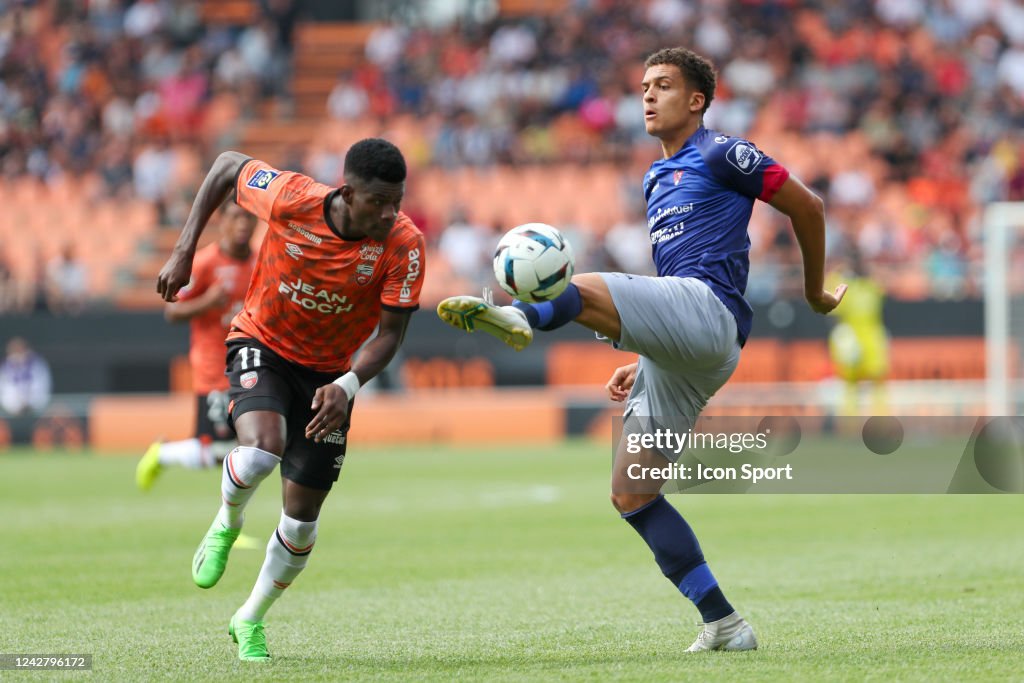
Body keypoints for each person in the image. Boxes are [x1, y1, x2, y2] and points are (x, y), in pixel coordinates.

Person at [437, 47, 846, 651]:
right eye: (644, 86)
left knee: (585, 284)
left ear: (697, 100)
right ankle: (725, 624)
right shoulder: (656, 176)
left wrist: (813, 291)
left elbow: (807, 206)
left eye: (663, 86)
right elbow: (672, 284)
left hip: (711, 311)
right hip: (685, 344)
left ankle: (519, 316)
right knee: (632, 492)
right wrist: (648, 351)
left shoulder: (721, 151)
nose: (648, 96)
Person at [156, 138, 424, 661]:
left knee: (301, 520)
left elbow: (390, 336)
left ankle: (249, 618)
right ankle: (227, 523)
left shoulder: (404, 243)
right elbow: (226, 165)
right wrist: (185, 248)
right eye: (379, 202)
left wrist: (347, 386)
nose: (391, 213)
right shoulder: (291, 197)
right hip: (263, 343)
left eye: (398, 201)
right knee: (260, 450)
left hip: (330, 377)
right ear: (347, 193)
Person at [136, 202, 258, 491]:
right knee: (220, 453)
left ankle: (230, 527)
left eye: (249, 217)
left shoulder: (261, 262)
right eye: (236, 217)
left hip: (249, 366)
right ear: (222, 222)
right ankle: (163, 454)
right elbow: (172, 312)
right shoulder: (205, 263)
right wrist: (207, 302)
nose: (243, 224)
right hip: (214, 368)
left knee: (252, 449)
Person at [827, 249, 889, 415]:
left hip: (872, 337)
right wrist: (841, 337)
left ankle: (881, 421)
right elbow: (831, 313)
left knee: (877, 380)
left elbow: (884, 286)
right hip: (851, 338)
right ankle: (850, 424)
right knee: (850, 382)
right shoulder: (841, 284)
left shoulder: (871, 284)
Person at [0, 337, 52, 416]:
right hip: (11, 413)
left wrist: (31, 403)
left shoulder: (37, 364)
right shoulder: (4, 367)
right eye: (15, 350)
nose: (17, 353)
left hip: (37, 411)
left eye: (20, 350)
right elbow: (5, 390)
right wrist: (15, 405)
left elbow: (41, 386)